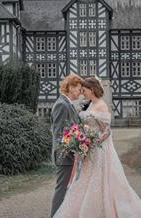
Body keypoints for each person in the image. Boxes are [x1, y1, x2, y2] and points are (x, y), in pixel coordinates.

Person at [53, 77, 141, 218]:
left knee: (99, 182)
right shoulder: (88, 105)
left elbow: (107, 131)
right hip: (88, 150)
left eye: (84, 90)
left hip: (97, 150)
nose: (82, 93)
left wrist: (93, 140)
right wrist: (81, 141)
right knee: (84, 182)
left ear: (91, 89)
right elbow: (79, 126)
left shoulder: (102, 105)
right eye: (81, 90)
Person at [50, 74, 84, 218]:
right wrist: (75, 146)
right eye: (79, 88)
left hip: (69, 155)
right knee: (61, 190)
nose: (81, 92)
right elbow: (59, 134)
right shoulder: (61, 105)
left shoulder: (68, 104)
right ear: (70, 87)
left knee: (67, 190)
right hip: (64, 156)